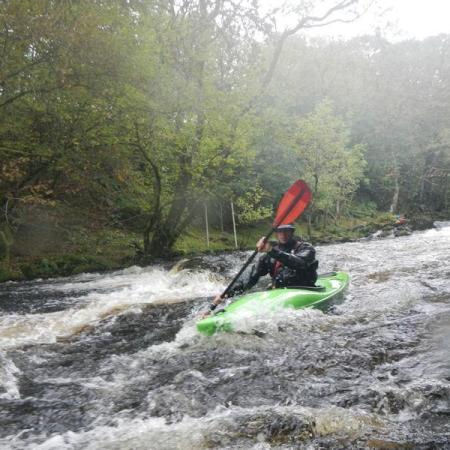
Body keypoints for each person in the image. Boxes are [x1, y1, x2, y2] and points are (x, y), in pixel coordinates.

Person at [202, 224, 318, 317]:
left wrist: (271, 250)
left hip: (304, 289)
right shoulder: (269, 255)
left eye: (286, 231)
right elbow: (251, 277)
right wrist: (227, 293)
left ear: (292, 232)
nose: (283, 234)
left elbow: (299, 263)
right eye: (280, 232)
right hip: (279, 293)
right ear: (277, 234)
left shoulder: (306, 248)